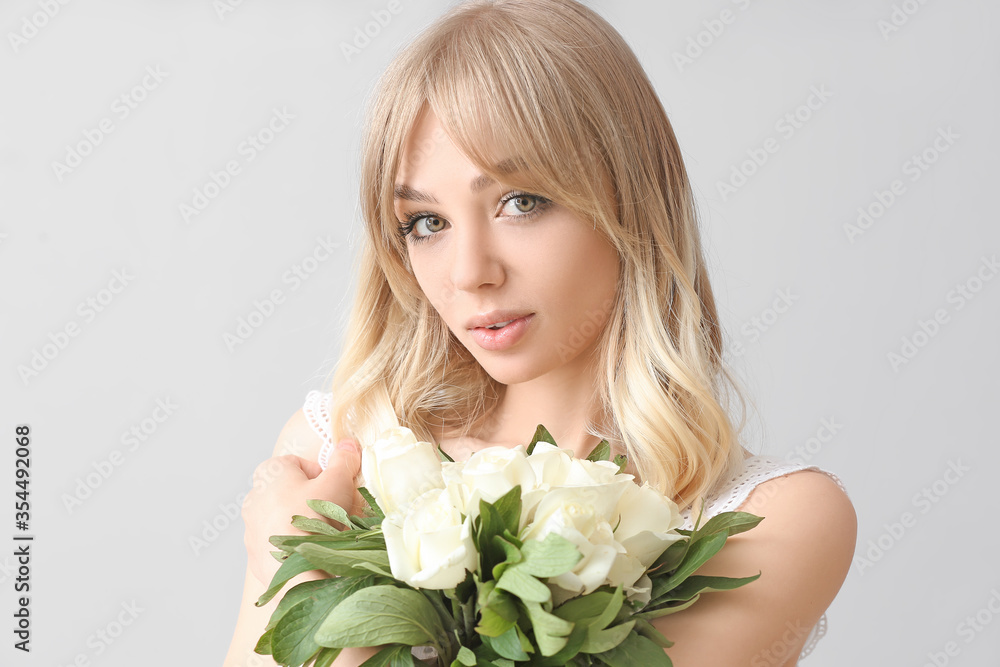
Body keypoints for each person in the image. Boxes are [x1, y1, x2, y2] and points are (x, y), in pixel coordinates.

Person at [224, 1, 857, 665]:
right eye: (426, 222)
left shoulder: (777, 521)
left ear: (629, 199)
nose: (470, 272)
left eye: (520, 202)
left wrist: (304, 578)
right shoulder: (330, 460)